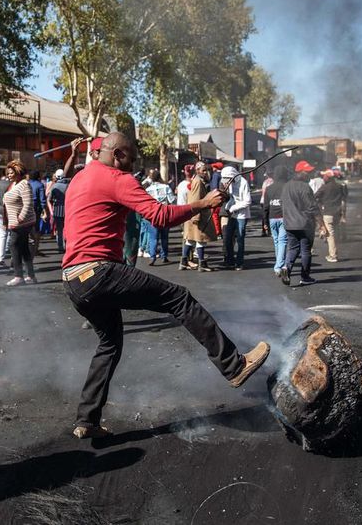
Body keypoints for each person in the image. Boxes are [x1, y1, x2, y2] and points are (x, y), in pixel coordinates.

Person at [61, 132, 270, 439]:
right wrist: (203, 203)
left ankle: (87, 420)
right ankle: (234, 365)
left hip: (72, 279)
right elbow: (158, 216)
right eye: (132, 158)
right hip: (99, 272)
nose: (134, 166)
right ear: (118, 154)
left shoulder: (81, 177)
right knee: (178, 298)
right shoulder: (118, 178)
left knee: (109, 344)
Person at [280, 160, 328, 286]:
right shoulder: (305, 187)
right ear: (300, 172)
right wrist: (321, 224)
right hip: (304, 224)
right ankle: (305, 277)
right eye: (307, 172)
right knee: (306, 251)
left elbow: (283, 204)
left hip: (289, 224)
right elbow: (312, 207)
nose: (310, 174)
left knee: (293, 248)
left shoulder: (286, 186)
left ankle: (286, 268)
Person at [3, 160, 37, 285]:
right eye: (8, 173)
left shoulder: (24, 184)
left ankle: (18, 276)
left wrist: (20, 218)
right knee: (23, 248)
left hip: (22, 223)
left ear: (18, 172)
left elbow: (28, 203)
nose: (9, 175)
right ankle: (31, 276)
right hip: (15, 222)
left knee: (13, 245)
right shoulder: (14, 184)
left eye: (11, 173)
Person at [181, 162, 217, 272]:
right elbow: (195, 200)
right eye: (203, 170)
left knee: (191, 240)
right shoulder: (198, 182)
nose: (206, 172)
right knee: (200, 239)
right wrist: (195, 217)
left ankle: (184, 262)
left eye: (207, 170)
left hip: (195, 215)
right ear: (197, 171)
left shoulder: (198, 181)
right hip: (197, 216)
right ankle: (202, 263)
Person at [219, 166, 251, 270]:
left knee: (240, 239)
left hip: (242, 216)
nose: (227, 182)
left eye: (228, 179)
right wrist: (228, 206)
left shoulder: (243, 183)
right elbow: (233, 197)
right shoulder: (231, 183)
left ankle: (240, 262)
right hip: (232, 214)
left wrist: (233, 207)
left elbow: (247, 201)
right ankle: (230, 260)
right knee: (228, 237)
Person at [144, 169, 176, 265]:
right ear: (159, 177)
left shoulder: (148, 190)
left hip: (153, 215)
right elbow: (171, 200)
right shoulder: (166, 187)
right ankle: (164, 255)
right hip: (164, 214)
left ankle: (152, 256)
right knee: (164, 237)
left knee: (153, 237)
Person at [316, 169, 347, 263]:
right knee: (335, 232)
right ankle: (334, 252)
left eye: (324, 176)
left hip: (328, 213)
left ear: (328, 177)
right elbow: (344, 197)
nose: (323, 177)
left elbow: (315, 196)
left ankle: (333, 255)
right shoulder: (339, 186)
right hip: (337, 213)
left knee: (330, 235)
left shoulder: (324, 187)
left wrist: (320, 202)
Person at [264, 166, 289, 275]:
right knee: (283, 241)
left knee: (276, 241)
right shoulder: (287, 187)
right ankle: (279, 266)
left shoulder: (269, 188)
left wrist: (265, 222)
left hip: (272, 217)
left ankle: (280, 263)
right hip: (283, 217)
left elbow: (265, 206)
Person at [49, 168, 70, 252]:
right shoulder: (69, 185)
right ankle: (67, 245)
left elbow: (50, 199)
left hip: (57, 210)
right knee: (67, 229)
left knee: (59, 229)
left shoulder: (55, 186)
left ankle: (60, 247)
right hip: (68, 210)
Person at [28, 170, 47, 257]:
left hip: (26, 208)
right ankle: (35, 249)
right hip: (36, 209)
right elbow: (42, 199)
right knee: (36, 229)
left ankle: (28, 248)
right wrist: (44, 209)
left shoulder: (26, 183)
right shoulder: (40, 185)